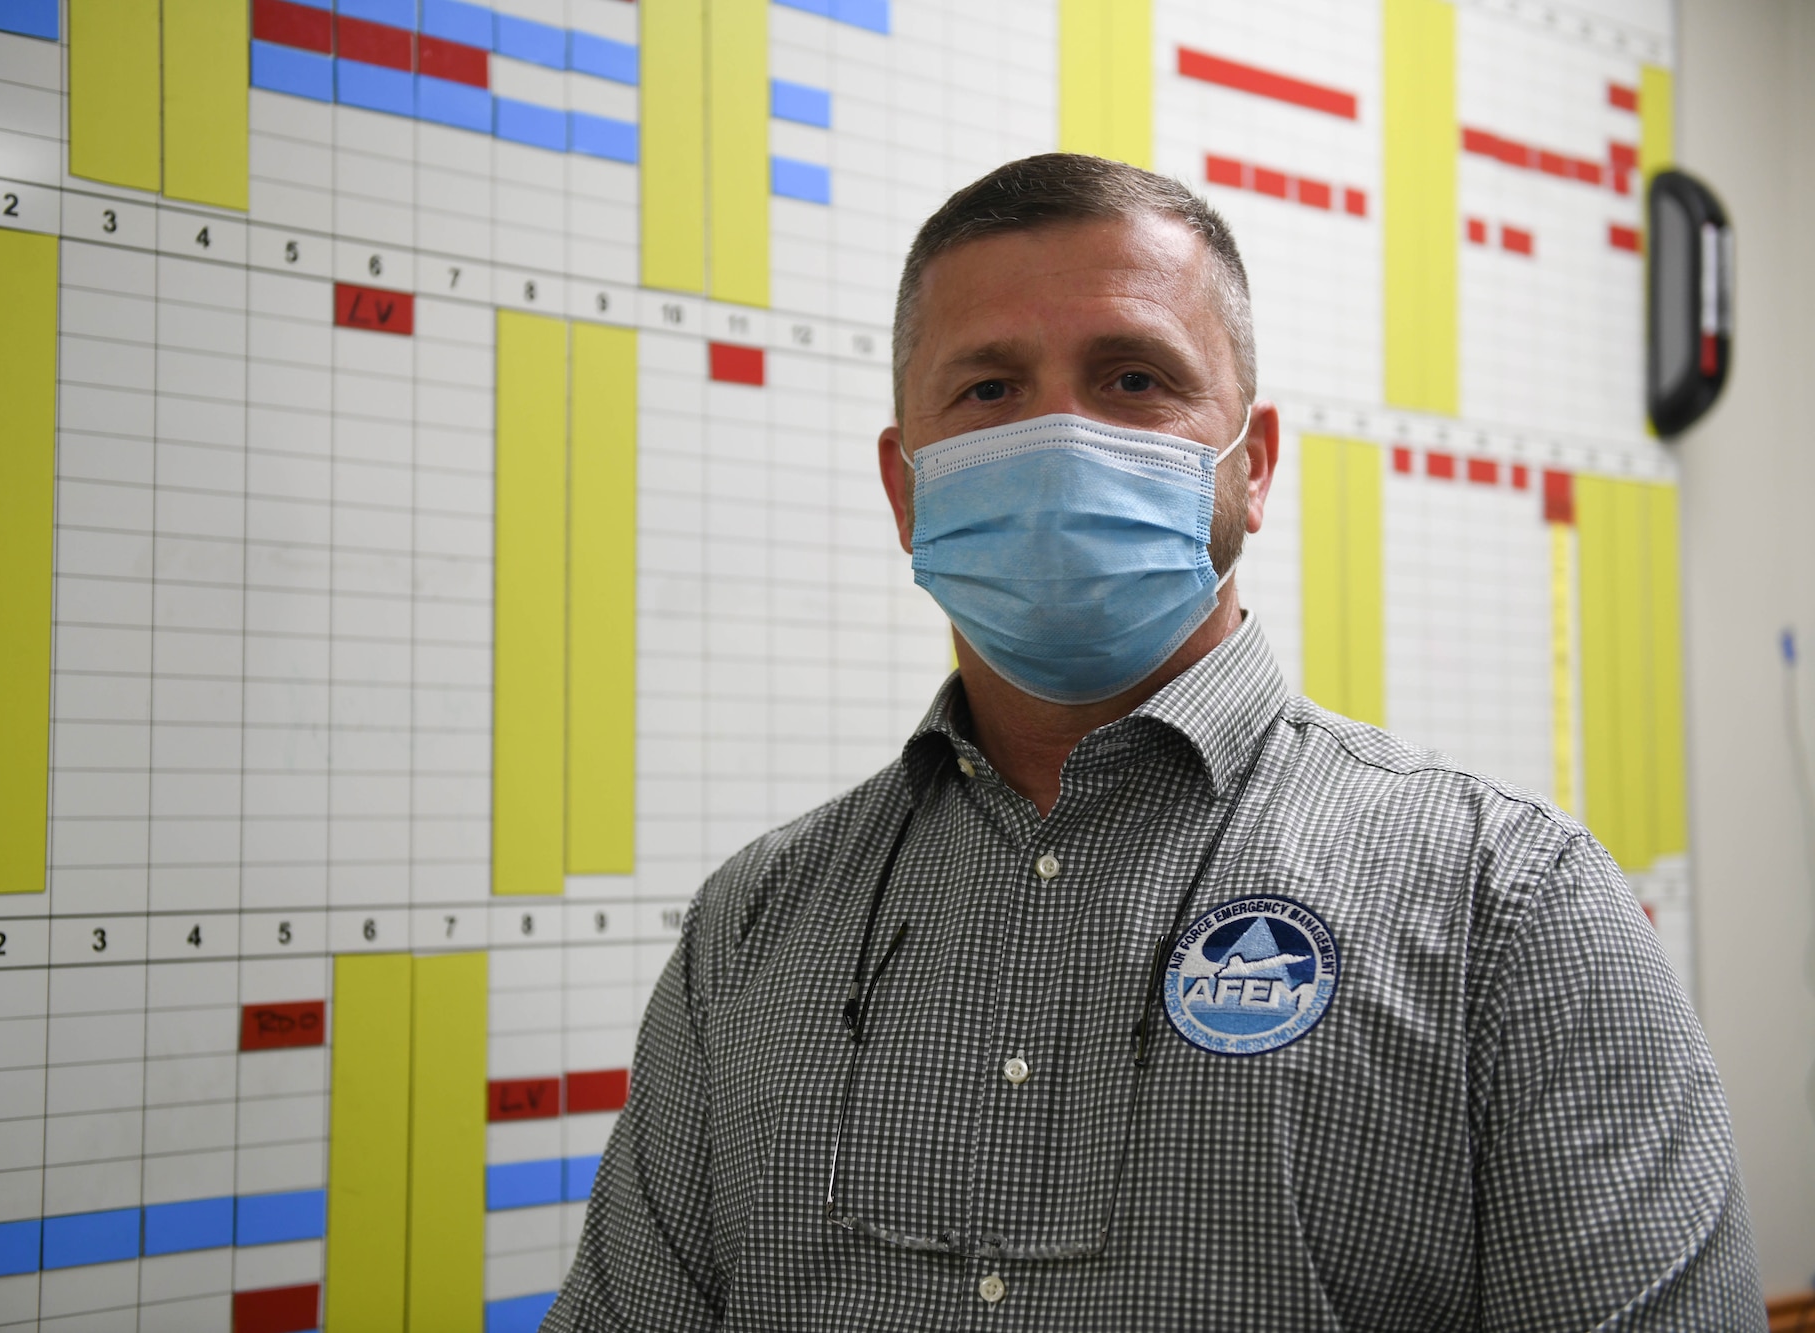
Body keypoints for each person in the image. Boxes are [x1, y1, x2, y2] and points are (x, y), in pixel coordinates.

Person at [542, 154, 1764, 1330]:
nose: (1060, 436)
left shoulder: (1511, 910)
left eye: (1132, 377)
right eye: (988, 390)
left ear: (1254, 465)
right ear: (905, 485)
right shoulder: (752, 927)